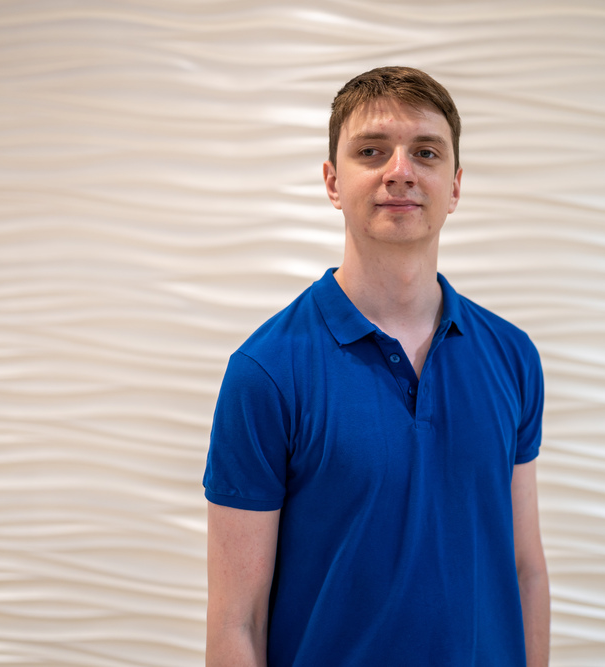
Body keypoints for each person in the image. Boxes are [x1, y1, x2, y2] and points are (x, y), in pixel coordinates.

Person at [203, 66, 549, 667]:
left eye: (425, 152)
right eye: (371, 151)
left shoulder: (512, 356)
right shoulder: (267, 372)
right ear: (333, 182)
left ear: (455, 186)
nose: (400, 171)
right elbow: (238, 621)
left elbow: (525, 570)